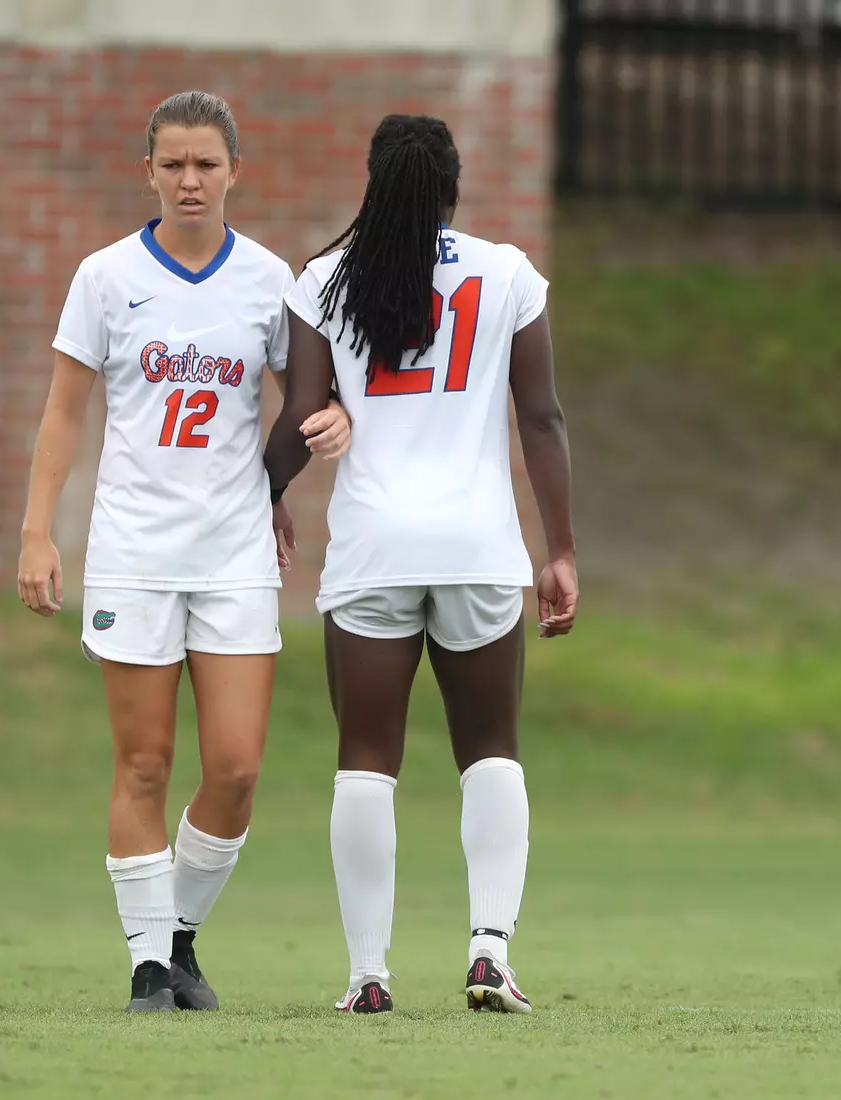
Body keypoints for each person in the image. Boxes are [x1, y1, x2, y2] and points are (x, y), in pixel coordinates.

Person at [17, 90, 351, 1014]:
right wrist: (37, 530)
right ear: (149, 172)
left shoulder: (269, 281)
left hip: (236, 550)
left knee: (237, 768)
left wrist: (328, 431)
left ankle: (180, 936)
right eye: (173, 164)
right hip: (131, 550)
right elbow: (63, 410)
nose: (190, 180)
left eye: (206, 164)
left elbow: (308, 397)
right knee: (144, 766)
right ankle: (147, 970)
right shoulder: (105, 277)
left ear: (234, 170)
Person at [262, 114, 578, 1015]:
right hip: (478, 548)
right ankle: (489, 954)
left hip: (372, 551)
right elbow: (542, 419)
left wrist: (265, 496)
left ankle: (367, 977)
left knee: (365, 760)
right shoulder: (506, 272)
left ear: (372, 181)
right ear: (454, 184)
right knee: (491, 752)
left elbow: (301, 421)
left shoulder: (321, 280)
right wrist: (560, 549)